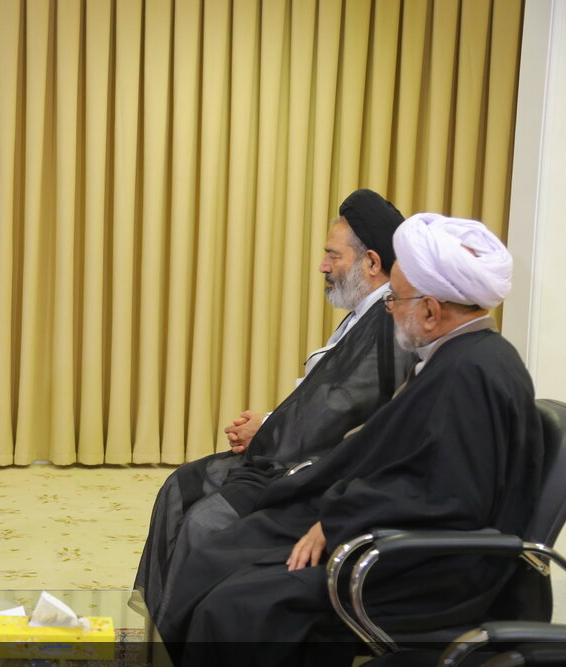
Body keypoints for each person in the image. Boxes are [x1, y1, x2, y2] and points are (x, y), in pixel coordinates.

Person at [160, 213, 544, 667]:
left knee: (239, 602)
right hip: (384, 528)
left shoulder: (471, 374)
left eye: (394, 298)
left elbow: (451, 501)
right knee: (219, 555)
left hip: (426, 567)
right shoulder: (459, 356)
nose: (389, 308)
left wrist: (338, 522)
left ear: (429, 310)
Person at [136, 190, 418, 620]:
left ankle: (182, 637)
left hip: (317, 469)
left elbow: (338, 412)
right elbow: (323, 398)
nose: (323, 266)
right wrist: (268, 421)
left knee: (204, 521)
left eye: (333, 256)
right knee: (179, 487)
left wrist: (265, 430)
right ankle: (153, 625)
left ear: (372, 263)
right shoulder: (362, 315)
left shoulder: (385, 323)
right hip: (291, 450)